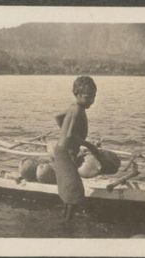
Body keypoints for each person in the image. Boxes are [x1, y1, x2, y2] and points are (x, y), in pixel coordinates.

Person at [53, 76, 105, 221]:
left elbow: (57, 117)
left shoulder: (73, 107)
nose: (91, 101)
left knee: (70, 187)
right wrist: (89, 145)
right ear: (77, 94)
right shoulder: (77, 110)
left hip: (65, 152)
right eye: (88, 97)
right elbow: (70, 136)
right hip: (64, 154)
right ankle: (67, 223)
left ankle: (65, 218)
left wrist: (63, 130)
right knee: (74, 189)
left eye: (93, 97)